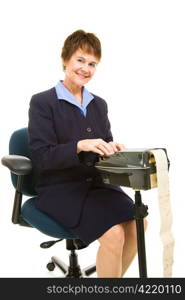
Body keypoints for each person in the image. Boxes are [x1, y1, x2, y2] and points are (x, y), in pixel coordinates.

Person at [28, 29, 147, 278]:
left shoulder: (98, 104)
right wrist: (79, 145)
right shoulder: (43, 102)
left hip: (96, 185)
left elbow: (105, 144)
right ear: (65, 60)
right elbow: (42, 157)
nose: (86, 69)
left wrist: (112, 150)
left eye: (92, 64)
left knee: (140, 225)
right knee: (114, 235)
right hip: (61, 188)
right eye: (80, 60)